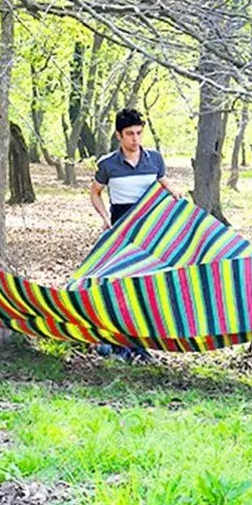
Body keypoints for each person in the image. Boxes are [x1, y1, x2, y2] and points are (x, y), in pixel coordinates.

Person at [89, 108, 183, 362]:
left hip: (150, 233)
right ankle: (117, 344)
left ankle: (139, 345)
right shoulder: (108, 164)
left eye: (139, 133)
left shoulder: (154, 159)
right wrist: (105, 220)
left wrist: (175, 193)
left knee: (146, 288)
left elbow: (164, 184)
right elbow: (95, 192)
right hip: (121, 231)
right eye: (129, 134)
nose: (135, 139)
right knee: (119, 287)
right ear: (119, 135)